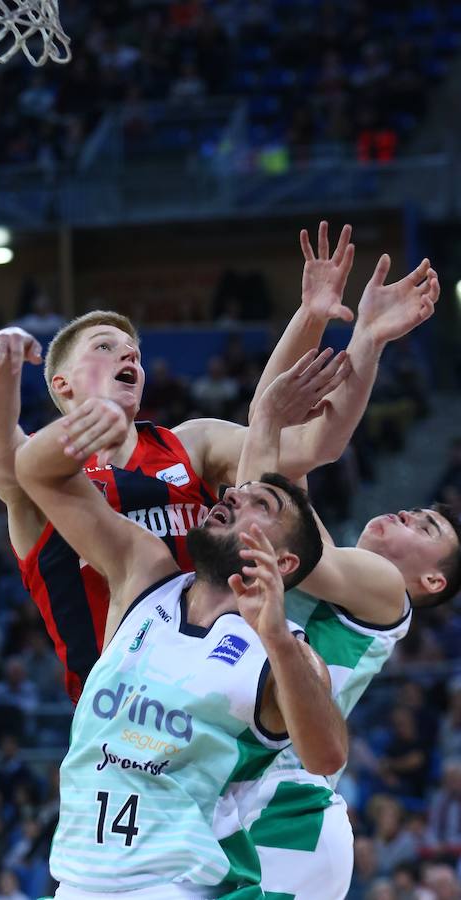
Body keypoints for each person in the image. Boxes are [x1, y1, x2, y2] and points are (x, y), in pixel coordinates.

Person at [0, 222, 359, 702]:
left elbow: (306, 446)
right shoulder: (49, 478)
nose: (127, 351)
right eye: (104, 346)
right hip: (122, 709)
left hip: (223, 684)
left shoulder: (192, 444)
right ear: (62, 384)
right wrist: (3, 363)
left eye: (133, 351)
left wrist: (314, 318)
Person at [14, 370, 348, 897]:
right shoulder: (143, 571)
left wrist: (280, 640)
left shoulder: (285, 651)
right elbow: (35, 472)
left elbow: (327, 755)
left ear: (283, 561)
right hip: (79, 882)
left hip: (183, 886)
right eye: (238, 493)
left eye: (262, 506)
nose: (236, 497)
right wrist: (84, 424)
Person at [228, 248, 452, 899]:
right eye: (419, 512)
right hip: (249, 798)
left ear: (430, 582)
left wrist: (271, 419)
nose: (412, 512)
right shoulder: (322, 554)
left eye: (428, 528)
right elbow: (285, 439)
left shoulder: (384, 593)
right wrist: (358, 335)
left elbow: (260, 503)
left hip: (288, 811)